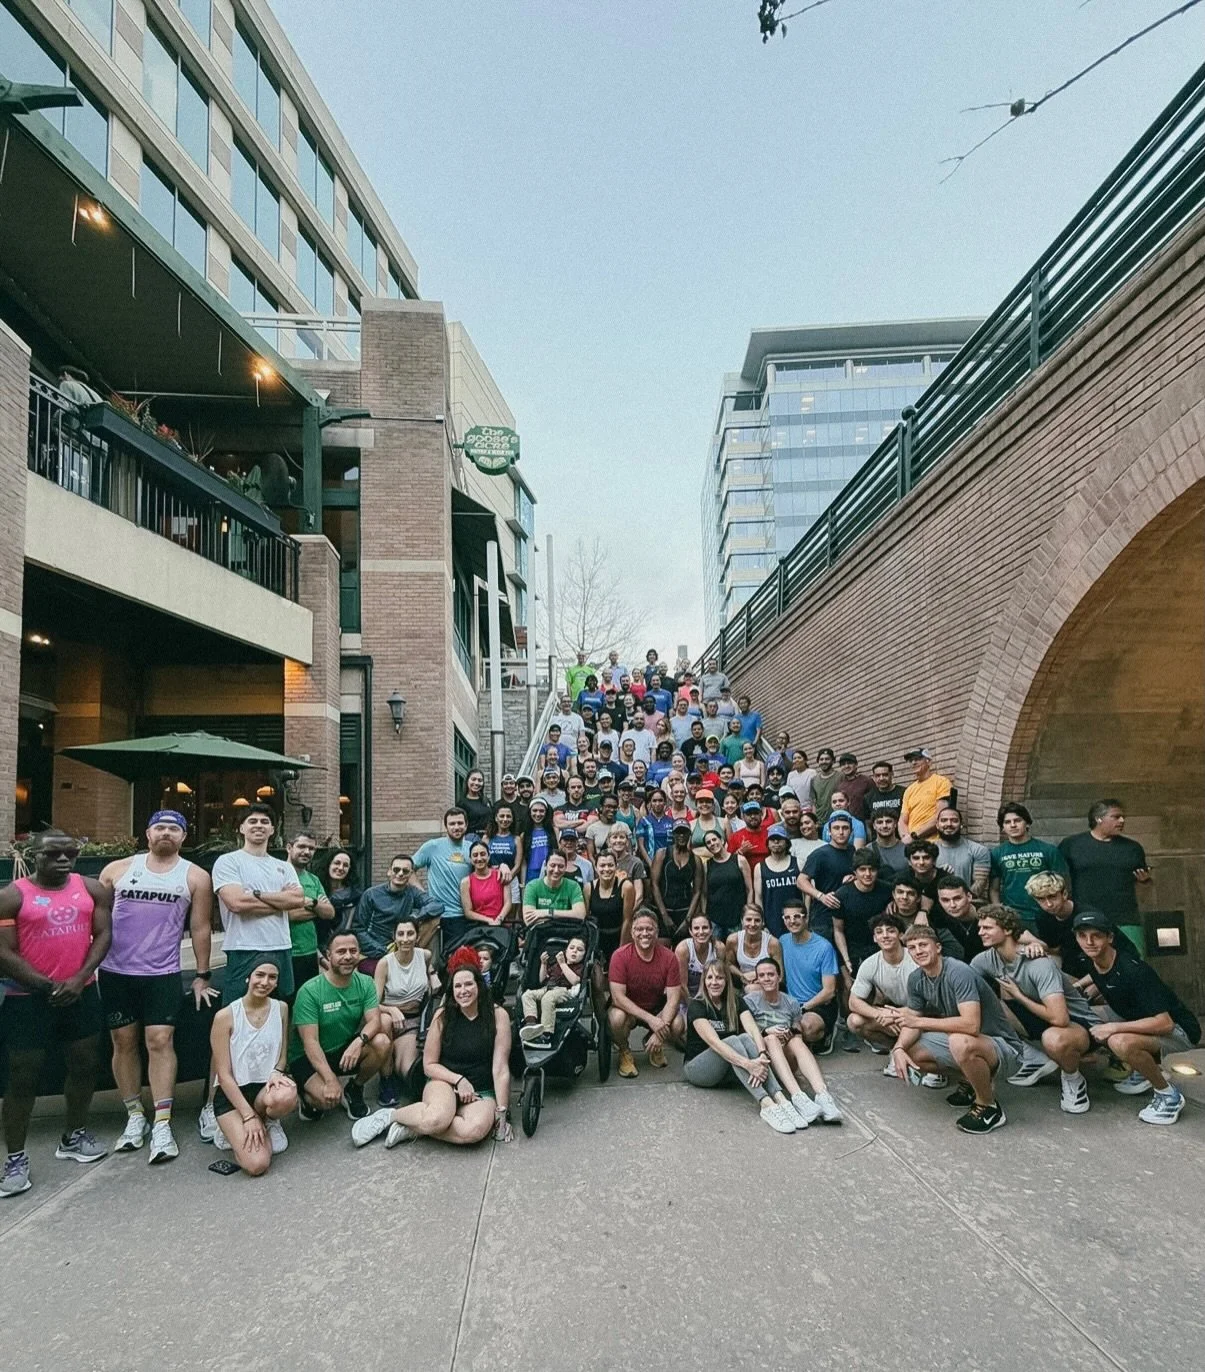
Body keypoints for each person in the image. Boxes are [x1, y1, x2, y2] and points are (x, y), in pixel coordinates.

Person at [0, 832, 113, 1196]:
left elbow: (104, 936)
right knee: (22, 1079)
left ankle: (73, 1136)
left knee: (83, 1066)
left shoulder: (93, 889)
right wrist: (47, 986)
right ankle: (15, 1158)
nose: (64, 859)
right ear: (35, 855)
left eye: (70, 853)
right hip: (27, 999)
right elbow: (4, 952)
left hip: (81, 992)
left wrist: (80, 980)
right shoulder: (12, 896)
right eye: (54, 853)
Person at [98, 810, 214, 1163]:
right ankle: (135, 1115)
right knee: (123, 1041)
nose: (166, 833)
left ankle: (162, 1121)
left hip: (161, 972)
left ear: (183, 836)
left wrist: (202, 974)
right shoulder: (116, 870)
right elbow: (96, 922)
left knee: (160, 1040)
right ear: (147, 833)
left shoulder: (195, 876)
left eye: (174, 828)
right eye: (160, 827)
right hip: (116, 971)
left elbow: (201, 927)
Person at [197, 805, 305, 1143]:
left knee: (275, 1024)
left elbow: (298, 901)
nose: (259, 826)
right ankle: (213, 1105)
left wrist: (255, 894)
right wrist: (276, 900)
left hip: (281, 949)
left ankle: (267, 1102)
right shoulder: (229, 862)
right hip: (243, 951)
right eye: (252, 821)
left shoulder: (282, 864)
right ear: (241, 828)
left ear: (273, 830)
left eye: (265, 821)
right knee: (233, 1030)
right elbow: (235, 904)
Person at [353, 946, 513, 1147]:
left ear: (479, 986)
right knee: (436, 1118)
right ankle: (391, 1116)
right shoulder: (442, 1016)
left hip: (481, 1089)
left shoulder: (498, 1016)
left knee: (475, 1131)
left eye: (468, 984)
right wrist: (458, 1080)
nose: (463, 991)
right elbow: (429, 1064)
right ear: (452, 990)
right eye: (457, 986)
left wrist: (502, 1113)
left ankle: (414, 1127)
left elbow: (500, 1069)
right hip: (444, 1081)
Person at [888, 923, 1022, 1135]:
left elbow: (971, 1024)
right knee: (911, 1051)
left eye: (923, 945)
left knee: (960, 1041)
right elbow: (911, 1019)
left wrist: (919, 1023)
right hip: (968, 1041)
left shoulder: (958, 971)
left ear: (938, 947)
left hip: (1003, 1048)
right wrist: (898, 1049)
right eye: (912, 948)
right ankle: (971, 1081)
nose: (918, 951)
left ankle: (989, 1106)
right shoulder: (916, 979)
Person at [1074, 910, 1200, 1124]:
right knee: (1085, 1017)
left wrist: (1113, 1028)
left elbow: (1165, 1023)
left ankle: (1168, 1095)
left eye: (1096, 936)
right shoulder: (1090, 959)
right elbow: (1101, 978)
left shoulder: (1133, 971)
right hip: (1134, 1017)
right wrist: (1078, 987)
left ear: (1110, 938)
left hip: (1179, 1029)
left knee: (1119, 1041)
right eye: (1082, 936)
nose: (1089, 942)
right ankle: (1143, 1070)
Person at [971, 906, 1098, 1113]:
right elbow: (965, 990)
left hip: (1077, 1024)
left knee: (1054, 1039)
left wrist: (1019, 996)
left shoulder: (1038, 963)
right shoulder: (984, 960)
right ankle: (1030, 1057)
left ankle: (1073, 1078)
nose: (981, 932)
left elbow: (1060, 1019)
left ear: (1008, 930)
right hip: (1038, 1019)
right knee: (978, 1007)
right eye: (980, 927)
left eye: (987, 927)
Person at [683, 961, 801, 1134]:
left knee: (744, 1037)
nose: (714, 982)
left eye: (719, 978)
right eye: (709, 978)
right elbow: (715, 1043)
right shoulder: (697, 1005)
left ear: (726, 981)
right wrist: (748, 1065)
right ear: (704, 981)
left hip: (729, 1067)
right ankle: (766, 1104)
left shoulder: (735, 1001)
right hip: (699, 1069)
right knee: (732, 1040)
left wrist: (761, 1056)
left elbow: (753, 1030)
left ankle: (780, 1097)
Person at [288, 931, 390, 1123]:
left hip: (342, 1049)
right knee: (326, 1101)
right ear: (329, 956)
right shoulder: (310, 991)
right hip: (308, 1057)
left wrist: (359, 1042)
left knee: (382, 1042)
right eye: (341, 951)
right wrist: (330, 1080)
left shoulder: (365, 982)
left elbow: (375, 1021)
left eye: (353, 951)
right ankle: (307, 1098)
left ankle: (354, 1088)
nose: (348, 957)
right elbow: (311, 1042)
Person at [209, 960, 296, 1173]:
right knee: (257, 1164)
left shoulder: (281, 1008)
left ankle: (266, 1120)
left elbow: (282, 1055)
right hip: (232, 1095)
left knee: (287, 1094)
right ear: (248, 977)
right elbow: (224, 1075)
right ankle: (234, 1127)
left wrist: (277, 1071)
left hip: (264, 1089)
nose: (265, 982)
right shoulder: (225, 1016)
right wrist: (247, 1117)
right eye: (260, 975)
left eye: (272, 977)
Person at [742, 958, 842, 1124]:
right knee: (772, 1039)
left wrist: (789, 1033)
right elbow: (744, 1033)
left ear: (779, 977)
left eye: (771, 974)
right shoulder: (750, 1001)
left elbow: (798, 1032)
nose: (766, 978)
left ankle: (823, 1095)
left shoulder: (791, 1002)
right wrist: (766, 1032)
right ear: (757, 980)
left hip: (786, 1058)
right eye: (762, 975)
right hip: (762, 1059)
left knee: (796, 1042)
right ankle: (797, 1097)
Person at [1059, 800, 1151, 956]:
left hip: (1125, 918)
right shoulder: (1071, 845)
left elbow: (1144, 887)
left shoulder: (1133, 848)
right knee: (1089, 966)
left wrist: (1145, 881)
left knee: (1134, 963)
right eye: (1116, 817)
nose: (1122, 821)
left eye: (1123, 817)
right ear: (1098, 819)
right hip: (1085, 917)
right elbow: (1059, 879)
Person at [608, 909, 683, 1078]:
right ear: (632, 932)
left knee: (677, 1023)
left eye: (649, 929)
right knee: (615, 1018)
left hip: (657, 1008)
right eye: (639, 929)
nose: (644, 933)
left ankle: (654, 1044)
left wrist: (658, 1031)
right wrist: (652, 1021)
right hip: (630, 1010)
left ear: (657, 932)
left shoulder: (669, 957)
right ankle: (624, 1051)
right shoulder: (620, 956)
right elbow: (618, 998)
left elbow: (673, 999)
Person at [373, 916, 440, 1106]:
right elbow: (373, 1004)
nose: (405, 938)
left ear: (417, 936)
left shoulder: (424, 955)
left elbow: (430, 969)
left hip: (412, 1021)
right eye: (400, 934)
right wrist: (391, 1010)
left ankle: (399, 1069)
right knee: (385, 1022)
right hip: (386, 1019)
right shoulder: (385, 964)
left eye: (410, 933)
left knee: (408, 1070)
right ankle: (385, 1079)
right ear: (394, 937)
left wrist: (433, 975)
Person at [847, 915, 918, 1058]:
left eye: (891, 931)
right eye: (879, 932)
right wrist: (880, 1014)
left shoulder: (916, 959)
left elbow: (931, 1004)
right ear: (874, 938)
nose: (885, 936)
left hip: (921, 1013)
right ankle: (896, 1052)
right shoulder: (870, 964)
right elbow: (853, 1002)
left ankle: (929, 1061)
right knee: (854, 1021)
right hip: (893, 1012)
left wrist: (895, 1015)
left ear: (901, 935)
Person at [352, 854, 441, 968]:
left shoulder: (412, 892)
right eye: (396, 870)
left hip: (402, 945)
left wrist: (415, 916)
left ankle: (431, 968)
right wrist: (382, 950)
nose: (400, 874)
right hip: (375, 950)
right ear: (389, 872)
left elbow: (436, 905)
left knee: (434, 919)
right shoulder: (371, 894)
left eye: (405, 871)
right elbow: (358, 929)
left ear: (410, 874)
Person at [989, 803, 1068, 931]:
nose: (1013, 825)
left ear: (1027, 823)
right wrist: (999, 913)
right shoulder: (997, 853)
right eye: (1007, 822)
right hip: (1013, 916)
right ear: (1002, 827)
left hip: (1046, 914)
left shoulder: (1048, 850)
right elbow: (994, 889)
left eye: (1017, 820)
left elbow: (1064, 883)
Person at [413, 808, 480, 949]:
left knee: (456, 959)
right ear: (446, 826)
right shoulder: (432, 846)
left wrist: (504, 866)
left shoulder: (472, 850)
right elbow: (409, 869)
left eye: (460, 823)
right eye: (452, 824)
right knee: (433, 960)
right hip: (435, 915)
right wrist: (422, 894)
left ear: (466, 825)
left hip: (460, 915)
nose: (457, 827)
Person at [778, 903, 839, 1048]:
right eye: (787, 917)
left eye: (797, 916)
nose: (792, 921)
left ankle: (825, 1035)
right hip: (790, 1002)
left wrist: (803, 1008)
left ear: (806, 918)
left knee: (807, 1027)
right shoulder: (782, 941)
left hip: (818, 1004)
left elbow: (829, 991)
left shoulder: (824, 947)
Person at [831, 849, 893, 986]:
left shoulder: (887, 890)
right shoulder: (842, 895)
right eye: (862, 869)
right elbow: (838, 930)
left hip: (880, 948)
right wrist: (846, 960)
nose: (867, 874)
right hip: (853, 949)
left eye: (872, 869)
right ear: (854, 872)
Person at [285, 831, 336, 997]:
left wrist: (311, 903)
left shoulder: (313, 879)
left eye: (311, 848)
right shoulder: (278, 875)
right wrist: (317, 908)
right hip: (285, 952)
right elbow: (287, 915)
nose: (307, 852)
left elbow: (329, 913)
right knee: (285, 1005)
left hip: (309, 952)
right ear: (289, 847)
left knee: (307, 1004)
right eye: (301, 846)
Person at [519, 934, 587, 1048]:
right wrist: (544, 964)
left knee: (548, 998)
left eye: (579, 950)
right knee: (527, 994)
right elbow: (542, 979)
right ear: (566, 950)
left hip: (564, 991)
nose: (574, 951)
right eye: (571, 948)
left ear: (584, 954)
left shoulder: (579, 967)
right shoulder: (556, 965)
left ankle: (546, 1035)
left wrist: (563, 964)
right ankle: (531, 1023)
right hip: (547, 988)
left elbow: (575, 981)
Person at [799, 811, 856, 942]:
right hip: (823, 918)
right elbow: (801, 881)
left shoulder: (852, 851)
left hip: (846, 916)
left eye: (845, 828)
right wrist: (821, 896)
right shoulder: (820, 854)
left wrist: (855, 878)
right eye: (836, 828)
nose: (841, 832)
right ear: (829, 831)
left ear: (851, 831)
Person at [652, 822, 705, 943]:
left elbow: (697, 891)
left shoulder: (695, 860)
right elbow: (654, 885)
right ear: (673, 834)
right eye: (678, 832)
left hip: (684, 911)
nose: (681, 835)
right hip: (664, 909)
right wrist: (664, 916)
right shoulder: (662, 854)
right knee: (663, 949)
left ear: (689, 834)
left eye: (684, 832)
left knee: (683, 951)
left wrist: (688, 920)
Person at [752, 824, 802, 939]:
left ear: (786, 842)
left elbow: (806, 895)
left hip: (796, 918)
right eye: (772, 840)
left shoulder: (798, 863)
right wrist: (762, 922)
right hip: (772, 920)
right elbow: (758, 897)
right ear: (768, 844)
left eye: (779, 839)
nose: (776, 842)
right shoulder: (760, 867)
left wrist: (806, 916)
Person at [932, 807, 991, 901]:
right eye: (944, 820)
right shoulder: (927, 850)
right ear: (937, 825)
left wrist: (959, 902)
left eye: (954, 820)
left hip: (967, 905)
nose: (949, 824)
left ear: (961, 825)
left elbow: (979, 884)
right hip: (934, 903)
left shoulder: (978, 850)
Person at [702, 830, 752, 939]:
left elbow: (750, 889)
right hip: (715, 918)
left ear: (722, 840)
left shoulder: (739, 860)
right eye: (708, 842)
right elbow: (705, 894)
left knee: (735, 951)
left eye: (714, 839)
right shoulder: (707, 865)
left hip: (736, 917)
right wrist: (704, 916)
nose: (712, 843)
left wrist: (748, 913)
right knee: (716, 952)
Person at [898, 749, 954, 843]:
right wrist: (905, 837)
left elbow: (941, 816)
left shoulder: (941, 782)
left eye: (918, 759)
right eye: (911, 760)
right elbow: (902, 821)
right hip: (913, 845)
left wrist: (915, 835)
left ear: (929, 761)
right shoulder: (909, 790)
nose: (913, 762)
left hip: (933, 843)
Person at [521, 852, 586, 927]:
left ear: (566, 867)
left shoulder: (573, 886)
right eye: (552, 865)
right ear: (545, 866)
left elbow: (580, 915)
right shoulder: (532, 886)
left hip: (567, 932)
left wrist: (547, 913)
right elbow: (529, 920)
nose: (556, 870)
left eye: (561, 866)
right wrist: (566, 917)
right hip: (540, 932)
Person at [726, 905, 782, 992]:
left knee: (751, 989)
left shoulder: (772, 943)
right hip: (744, 981)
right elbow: (728, 964)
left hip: (767, 983)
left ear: (763, 922)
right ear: (742, 921)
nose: (752, 924)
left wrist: (758, 977)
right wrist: (742, 975)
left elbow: (780, 975)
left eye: (757, 920)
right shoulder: (733, 940)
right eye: (748, 920)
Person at [459, 841, 512, 928]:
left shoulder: (501, 875)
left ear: (488, 856)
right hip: (478, 926)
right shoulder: (466, 882)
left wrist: (499, 919)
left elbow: (508, 902)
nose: (479, 858)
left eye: (483, 854)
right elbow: (468, 912)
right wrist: (489, 920)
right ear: (471, 859)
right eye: (475, 855)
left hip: (501, 924)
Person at [318, 850, 361, 945]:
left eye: (345, 865)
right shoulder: (317, 890)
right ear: (328, 864)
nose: (341, 868)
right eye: (337, 863)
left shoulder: (355, 896)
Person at [523, 798, 558, 884]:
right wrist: (523, 884)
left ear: (546, 812)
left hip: (550, 872)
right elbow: (523, 862)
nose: (538, 814)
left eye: (541, 811)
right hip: (531, 874)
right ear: (529, 812)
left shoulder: (554, 831)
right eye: (534, 810)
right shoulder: (524, 834)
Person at [864, 761, 906, 829]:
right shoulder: (868, 797)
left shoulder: (904, 793)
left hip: (901, 837)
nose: (881, 778)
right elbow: (867, 821)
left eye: (885, 775)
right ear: (874, 777)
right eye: (878, 776)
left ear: (892, 774)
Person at [867, 811, 909, 877]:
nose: (884, 826)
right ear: (874, 826)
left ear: (895, 824)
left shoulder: (907, 848)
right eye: (880, 822)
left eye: (888, 821)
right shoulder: (868, 850)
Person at [458, 768, 494, 842]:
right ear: (467, 780)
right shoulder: (462, 803)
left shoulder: (486, 801)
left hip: (489, 838)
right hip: (471, 840)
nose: (476, 783)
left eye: (480, 780)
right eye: (473, 779)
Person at [835, 753, 873, 820]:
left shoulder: (866, 781)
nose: (846, 766)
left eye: (849, 763)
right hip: (846, 822)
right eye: (843, 764)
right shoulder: (840, 785)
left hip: (865, 822)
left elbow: (873, 802)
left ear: (856, 765)